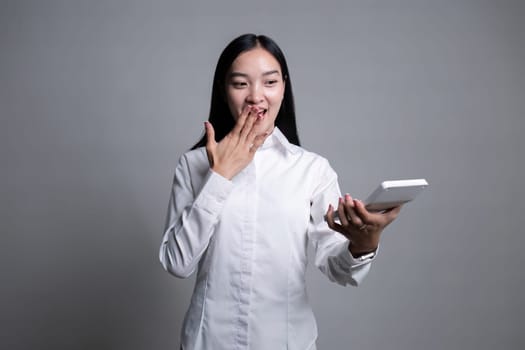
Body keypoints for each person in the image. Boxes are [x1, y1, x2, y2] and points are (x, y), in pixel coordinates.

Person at [159, 33, 401, 350]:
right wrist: (220, 175)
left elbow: (338, 268)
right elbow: (177, 262)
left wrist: (363, 244)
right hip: (207, 342)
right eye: (241, 83)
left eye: (269, 82)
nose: (256, 96)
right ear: (224, 89)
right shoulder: (193, 166)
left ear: (284, 88)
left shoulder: (312, 170)